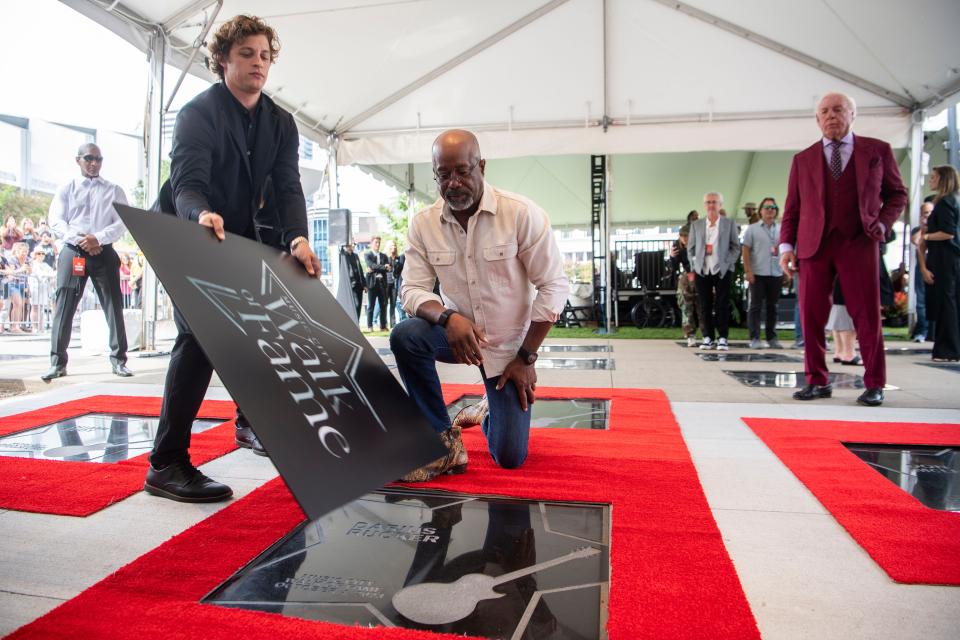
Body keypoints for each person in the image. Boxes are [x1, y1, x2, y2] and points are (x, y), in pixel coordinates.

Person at [145, 14, 321, 503]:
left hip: (240, 233)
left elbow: (287, 188)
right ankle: (166, 464)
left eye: (265, 56)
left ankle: (249, 424)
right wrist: (200, 214)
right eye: (247, 54)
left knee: (256, 325)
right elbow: (187, 183)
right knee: (199, 334)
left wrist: (298, 239)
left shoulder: (281, 122)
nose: (258, 64)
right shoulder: (197, 113)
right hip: (186, 228)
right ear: (223, 59)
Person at [391, 129, 568, 480]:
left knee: (509, 457)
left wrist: (526, 358)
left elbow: (554, 287)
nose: (453, 183)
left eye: (462, 171)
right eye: (444, 174)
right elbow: (411, 289)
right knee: (405, 336)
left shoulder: (520, 214)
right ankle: (441, 444)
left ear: (481, 166)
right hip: (459, 339)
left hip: (509, 350)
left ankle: (488, 412)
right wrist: (447, 317)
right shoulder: (424, 224)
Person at [780, 92, 907, 406]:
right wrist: (786, 246)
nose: (830, 116)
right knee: (810, 315)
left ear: (853, 114)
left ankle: (875, 383)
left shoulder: (878, 151)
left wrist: (883, 223)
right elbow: (792, 209)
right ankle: (816, 381)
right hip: (814, 246)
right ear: (817, 119)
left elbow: (898, 195)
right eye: (824, 111)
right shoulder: (803, 159)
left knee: (867, 316)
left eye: (838, 109)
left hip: (859, 241)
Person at [43, 143, 133, 380]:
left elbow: (122, 221)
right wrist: (82, 240)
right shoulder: (66, 188)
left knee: (113, 305)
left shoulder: (114, 190)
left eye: (99, 159)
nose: (94, 163)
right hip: (74, 251)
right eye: (89, 158)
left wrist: (98, 239)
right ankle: (57, 363)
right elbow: (56, 220)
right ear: (78, 160)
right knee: (64, 306)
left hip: (103, 251)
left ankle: (119, 360)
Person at [687, 191, 740, 351]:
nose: (711, 205)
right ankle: (707, 337)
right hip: (702, 270)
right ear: (705, 205)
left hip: (722, 269)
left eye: (714, 202)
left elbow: (735, 247)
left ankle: (722, 337)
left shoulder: (729, 223)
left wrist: (728, 262)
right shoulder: (696, 225)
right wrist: (695, 263)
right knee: (704, 304)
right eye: (708, 202)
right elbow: (690, 248)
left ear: (720, 205)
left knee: (722, 303)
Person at [918, 165, 960, 362]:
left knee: (946, 303)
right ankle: (950, 346)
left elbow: (948, 232)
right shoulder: (955, 200)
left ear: (943, 179)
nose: (930, 180)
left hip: (945, 257)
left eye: (934, 177)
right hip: (952, 258)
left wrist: (925, 235)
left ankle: (947, 349)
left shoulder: (945, 202)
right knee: (951, 302)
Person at [742, 197, 784, 349]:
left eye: (773, 207)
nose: (770, 210)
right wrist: (748, 270)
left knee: (773, 306)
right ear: (760, 211)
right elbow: (745, 250)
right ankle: (754, 338)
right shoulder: (752, 229)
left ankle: (771, 337)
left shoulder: (781, 229)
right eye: (767, 207)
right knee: (756, 306)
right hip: (757, 273)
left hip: (776, 273)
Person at [669, 225, 700, 347]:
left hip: (700, 275)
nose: (684, 239)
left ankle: (707, 335)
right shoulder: (677, 245)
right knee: (686, 306)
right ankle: (690, 334)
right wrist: (672, 257)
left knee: (701, 307)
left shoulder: (699, 244)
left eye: (686, 236)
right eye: (681, 236)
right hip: (687, 275)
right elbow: (675, 267)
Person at [910, 200, 934, 342]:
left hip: (938, 265)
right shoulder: (917, 230)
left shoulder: (939, 227)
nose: (929, 215)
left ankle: (933, 332)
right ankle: (921, 331)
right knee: (921, 301)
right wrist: (924, 226)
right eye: (926, 213)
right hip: (922, 267)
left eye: (931, 212)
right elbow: (916, 241)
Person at [364, 236, 390, 331]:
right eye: (376, 242)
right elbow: (371, 265)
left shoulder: (384, 256)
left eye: (379, 242)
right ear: (371, 243)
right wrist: (384, 267)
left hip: (382, 283)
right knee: (371, 305)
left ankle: (383, 326)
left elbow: (389, 268)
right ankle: (370, 326)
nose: (378, 244)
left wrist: (377, 268)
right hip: (372, 283)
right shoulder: (368, 254)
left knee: (383, 305)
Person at [342, 242, 366, 321]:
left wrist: (364, 284)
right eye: (352, 244)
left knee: (359, 306)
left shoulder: (355, 256)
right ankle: (353, 323)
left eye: (354, 245)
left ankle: (356, 323)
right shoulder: (343, 255)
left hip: (359, 285)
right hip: (351, 285)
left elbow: (360, 270)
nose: (353, 246)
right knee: (355, 305)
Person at [385, 239, 404, 327]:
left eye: (395, 246)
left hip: (394, 284)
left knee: (393, 303)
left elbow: (398, 271)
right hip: (386, 283)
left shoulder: (398, 258)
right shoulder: (385, 258)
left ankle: (393, 324)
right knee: (384, 304)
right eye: (392, 246)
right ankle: (383, 323)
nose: (394, 247)